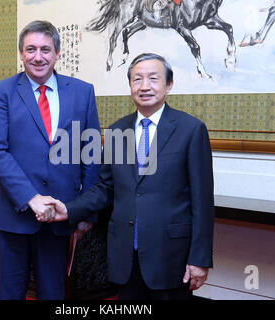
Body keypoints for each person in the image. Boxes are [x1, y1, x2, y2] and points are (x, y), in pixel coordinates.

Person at [45, 53, 215, 300]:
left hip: (170, 255)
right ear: (131, 87)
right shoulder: (117, 130)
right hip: (124, 255)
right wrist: (69, 210)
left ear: (169, 85)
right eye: (137, 80)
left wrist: (199, 259)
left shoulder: (191, 130)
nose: (144, 86)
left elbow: (202, 202)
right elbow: (105, 187)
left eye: (153, 79)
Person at [0, 20, 100, 300]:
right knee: (10, 293)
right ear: (21, 53)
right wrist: (30, 197)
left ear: (58, 53)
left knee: (53, 293)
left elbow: (91, 152)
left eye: (45, 49)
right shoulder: (2, 92)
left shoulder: (82, 92)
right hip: (12, 215)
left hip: (60, 216)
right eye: (31, 49)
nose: (38, 56)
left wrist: (85, 210)